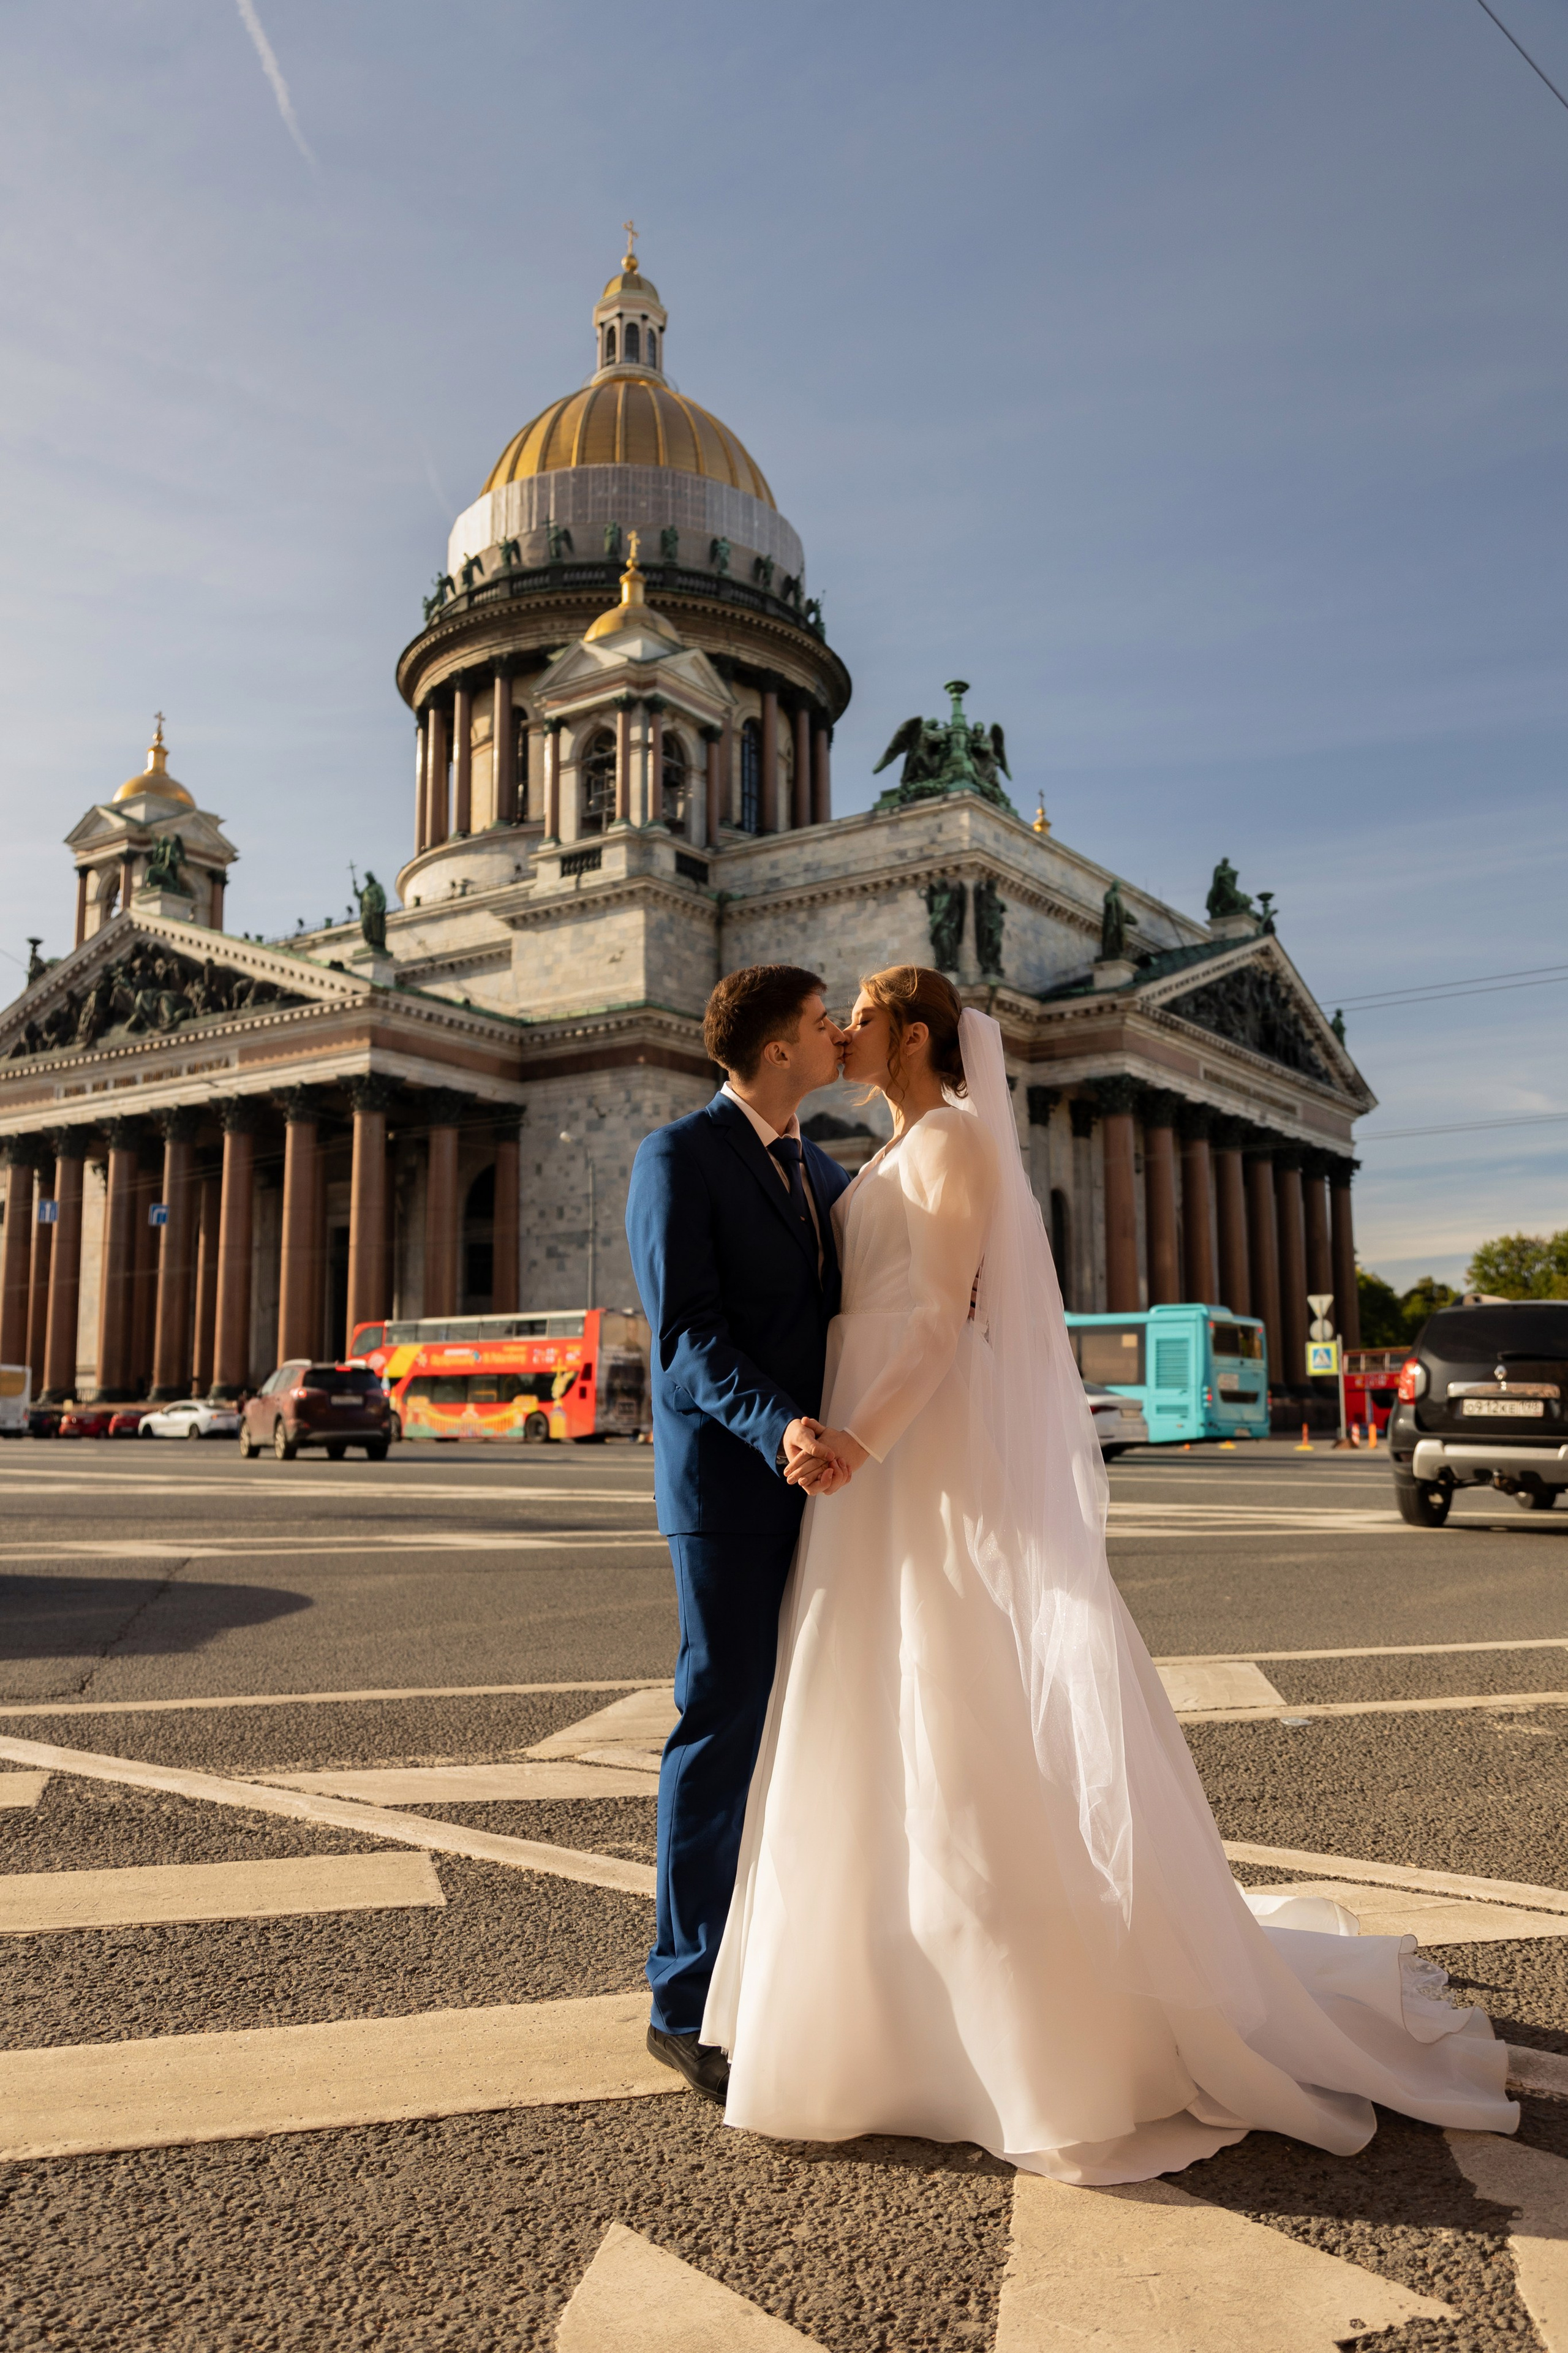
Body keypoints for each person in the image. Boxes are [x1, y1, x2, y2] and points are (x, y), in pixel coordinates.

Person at [703, 966, 1517, 2183]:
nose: (842, 1029)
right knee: (882, 1708)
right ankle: (889, 1993)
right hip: (874, 1461)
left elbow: (930, 1322)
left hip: (907, 1453)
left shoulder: (955, 1145)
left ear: (915, 1034)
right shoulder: (875, 1154)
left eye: (860, 1013)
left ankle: (1009, 2020)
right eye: (832, 1019)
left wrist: (860, 1440)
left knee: (950, 1698)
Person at [625, 965, 851, 2101]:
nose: (840, 1033)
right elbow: (688, 1339)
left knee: (809, 1733)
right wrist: (782, 1426)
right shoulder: (679, 1157)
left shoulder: (824, 1167)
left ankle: (783, 1967)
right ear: (775, 1050)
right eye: (822, 1023)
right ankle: (682, 1996)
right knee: (721, 1725)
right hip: (730, 1486)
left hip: (826, 1490)